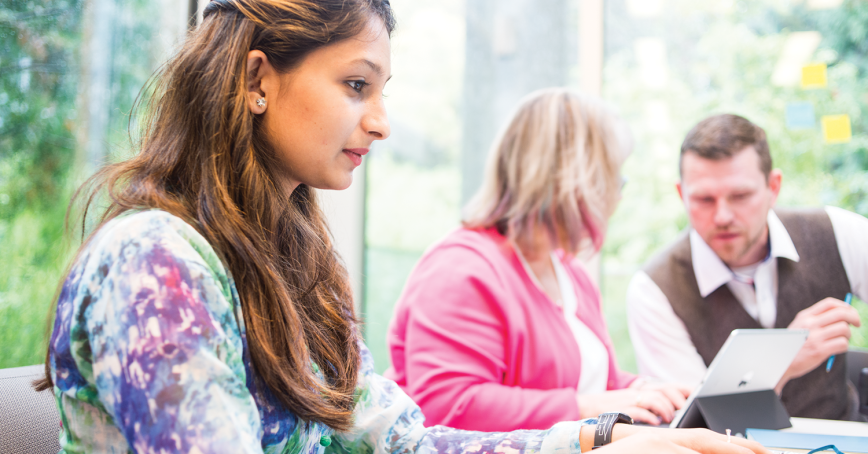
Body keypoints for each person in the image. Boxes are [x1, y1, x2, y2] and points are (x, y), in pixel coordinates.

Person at [34, 1, 770, 452]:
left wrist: (601, 440)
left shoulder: (297, 271)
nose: (381, 123)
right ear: (257, 80)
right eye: (357, 86)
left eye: (382, 92)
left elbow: (401, 440)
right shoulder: (158, 262)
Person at [385, 88, 694, 432]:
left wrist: (640, 391)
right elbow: (451, 405)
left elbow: (591, 378)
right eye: (615, 178)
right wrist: (584, 408)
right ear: (579, 181)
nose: (618, 194)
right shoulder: (461, 270)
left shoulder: (568, 270)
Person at [626, 114, 866, 421]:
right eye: (704, 199)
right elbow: (695, 426)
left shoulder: (837, 231)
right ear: (681, 195)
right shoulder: (654, 290)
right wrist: (780, 361)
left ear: (773, 187)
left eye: (740, 196)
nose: (723, 216)